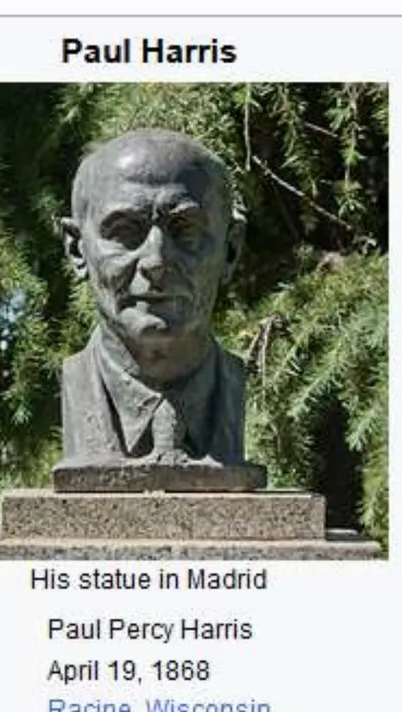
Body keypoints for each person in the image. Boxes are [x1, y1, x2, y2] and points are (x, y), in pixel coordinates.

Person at [53, 129, 260, 487]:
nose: (156, 260)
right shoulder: (77, 384)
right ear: (77, 249)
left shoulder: (231, 386)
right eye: (124, 232)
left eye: (186, 231)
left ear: (231, 250)